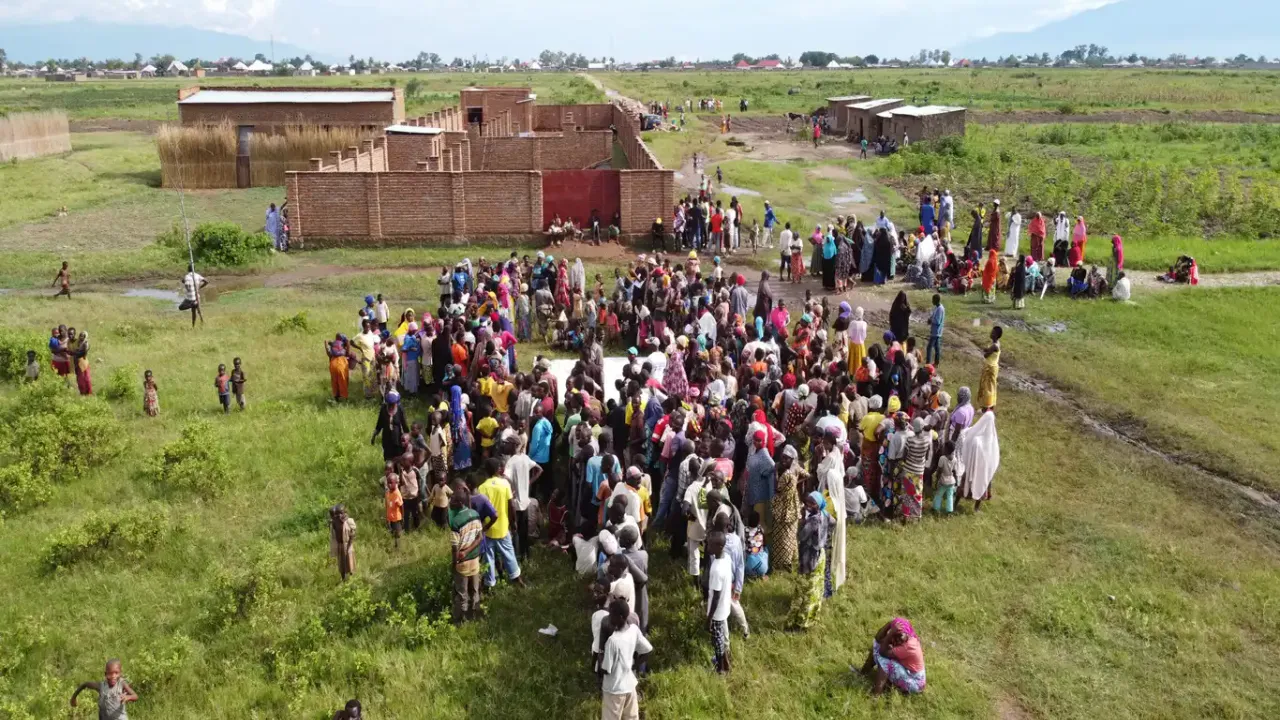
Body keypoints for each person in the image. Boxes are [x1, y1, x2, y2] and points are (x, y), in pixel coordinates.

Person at [599, 596, 652, 720]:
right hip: (630, 685)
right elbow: (648, 650)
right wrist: (633, 666)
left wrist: (600, 657)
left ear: (621, 617)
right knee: (631, 717)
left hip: (614, 690)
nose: (609, 617)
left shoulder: (612, 641)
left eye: (612, 614)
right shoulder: (634, 630)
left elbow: (606, 670)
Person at [476, 457, 526, 588]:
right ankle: (516, 578)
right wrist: (513, 522)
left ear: (486, 471)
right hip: (503, 527)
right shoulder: (505, 484)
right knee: (509, 553)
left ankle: (489, 583)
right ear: (498, 469)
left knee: (489, 557)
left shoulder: (482, 488)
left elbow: (481, 509)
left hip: (488, 528)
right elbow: (511, 506)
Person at [788, 492, 832, 630]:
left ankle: (801, 622)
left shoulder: (813, 520)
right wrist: (823, 537)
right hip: (821, 554)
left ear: (818, 505)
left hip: (809, 557)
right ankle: (813, 618)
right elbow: (834, 523)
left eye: (812, 503)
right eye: (807, 502)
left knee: (805, 590)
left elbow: (802, 536)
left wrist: (802, 521)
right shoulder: (825, 514)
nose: (808, 506)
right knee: (816, 588)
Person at [448, 480, 484, 622]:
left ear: (458, 503)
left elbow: (455, 548)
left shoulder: (455, 522)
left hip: (462, 563)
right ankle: (475, 614)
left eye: (452, 500)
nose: (450, 502)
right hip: (475, 561)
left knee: (462, 593)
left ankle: (461, 620)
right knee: (475, 590)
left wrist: (454, 563)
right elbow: (480, 538)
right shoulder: (474, 514)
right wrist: (469, 550)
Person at [860, 618, 927, 695]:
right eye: (897, 635)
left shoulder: (908, 646)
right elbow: (878, 640)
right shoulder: (902, 638)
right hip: (908, 673)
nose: (899, 639)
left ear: (907, 633)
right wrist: (889, 624)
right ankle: (863, 673)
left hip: (915, 683)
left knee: (885, 662)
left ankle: (875, 695)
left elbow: (882, 653)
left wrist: (890, 634)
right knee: (878, 647)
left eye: (901, 635)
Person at [959, 411, 1000, 513]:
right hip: (982, 470)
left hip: (971, 468)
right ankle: (976, 509)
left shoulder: (976, 439)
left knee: (964, 486)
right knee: (981, 485)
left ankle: (955, 504)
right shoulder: (991, 439)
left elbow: (967, 445)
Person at [70, 658, 138, 719]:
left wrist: (128, 697)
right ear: (105, 674)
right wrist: (73, 698)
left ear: (120, 673)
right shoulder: (101, 686)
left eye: (116, 673)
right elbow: (85, 684)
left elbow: (135, 696)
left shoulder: (121, 684)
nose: (113, 676)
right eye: (110, 673)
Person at [705, 531, 733, 673]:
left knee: (717, 641)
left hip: (717, 612)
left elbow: (716, 597)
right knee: (721, 637)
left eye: (711, 545)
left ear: (720, 546)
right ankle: (724, 662)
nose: (708, 546)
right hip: (724, 606)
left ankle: (721, 669)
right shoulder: (726, 558)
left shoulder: (716, 569)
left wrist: (709, 618)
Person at [371, 391, 409, 461]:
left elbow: (405, 425)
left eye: (393, 404)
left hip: (398, 440)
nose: (391, 406)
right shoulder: (383, 409)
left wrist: (408, 438)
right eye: (389, 404)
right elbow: (379, 424)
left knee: (398, 459)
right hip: (387, 440)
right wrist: (374, 436)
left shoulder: (400, 409)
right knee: (388, 460)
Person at [976, 326, 1002, 411]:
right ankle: (991, 405)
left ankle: (986, 407)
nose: (991, 333)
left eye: (993, 332)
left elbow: (986, 355)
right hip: (993, 367)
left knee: (987, 388)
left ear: (996, 335)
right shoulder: (997, 343)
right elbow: (989, 351)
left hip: (990, 368)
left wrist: (986, 351)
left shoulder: (994, 346)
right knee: (992, 387)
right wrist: (987, 349)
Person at [329, 504, 356, 581]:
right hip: (340, 545)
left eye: (341, 513)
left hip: (348, 544)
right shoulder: (335, 522)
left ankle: (351, 577)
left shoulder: (349, 521)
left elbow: (352, 534)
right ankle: (343, 578)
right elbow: (333, 533)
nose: (340, 515)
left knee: (349, 560)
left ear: (344, 512)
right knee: (341, 562)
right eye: (338, 513)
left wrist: (349, 545)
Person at [932, 441, 958, 514]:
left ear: (946, 449)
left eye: (944, 447)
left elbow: (939, 470)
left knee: (939, 494)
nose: (942, 448)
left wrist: (937, 480)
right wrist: (956, 481)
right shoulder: (955, 459)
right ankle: (949, 510)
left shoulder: (942, 458)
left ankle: (936, 508)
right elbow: (954, 471)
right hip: (951, 481)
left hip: (943, 480)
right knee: (950, 496)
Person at [926, 294, 945, 365]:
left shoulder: (940, 309)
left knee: (929, 347)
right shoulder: (937, 307)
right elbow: (933, 316)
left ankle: (927, 363)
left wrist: (931, 321)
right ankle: (936, 362)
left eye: (933, 300)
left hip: (936, 332)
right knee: (937, 348)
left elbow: (938, 321)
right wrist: (930, 318)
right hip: (936, 331)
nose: (932, 301)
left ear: (936, 300)